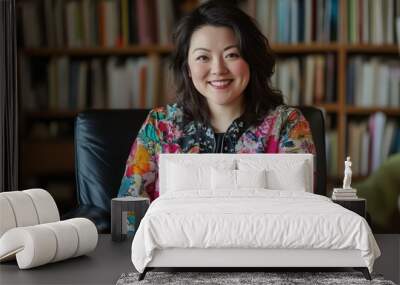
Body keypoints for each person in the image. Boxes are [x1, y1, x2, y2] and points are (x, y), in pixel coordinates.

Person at [117, 1, 316, 201]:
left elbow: (301, 211)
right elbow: (129, 212)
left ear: (251, 60)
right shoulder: (160, 125)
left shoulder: (287, 124)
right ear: (187, 68)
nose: (218, 69)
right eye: (203, 57)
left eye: (231, 55)